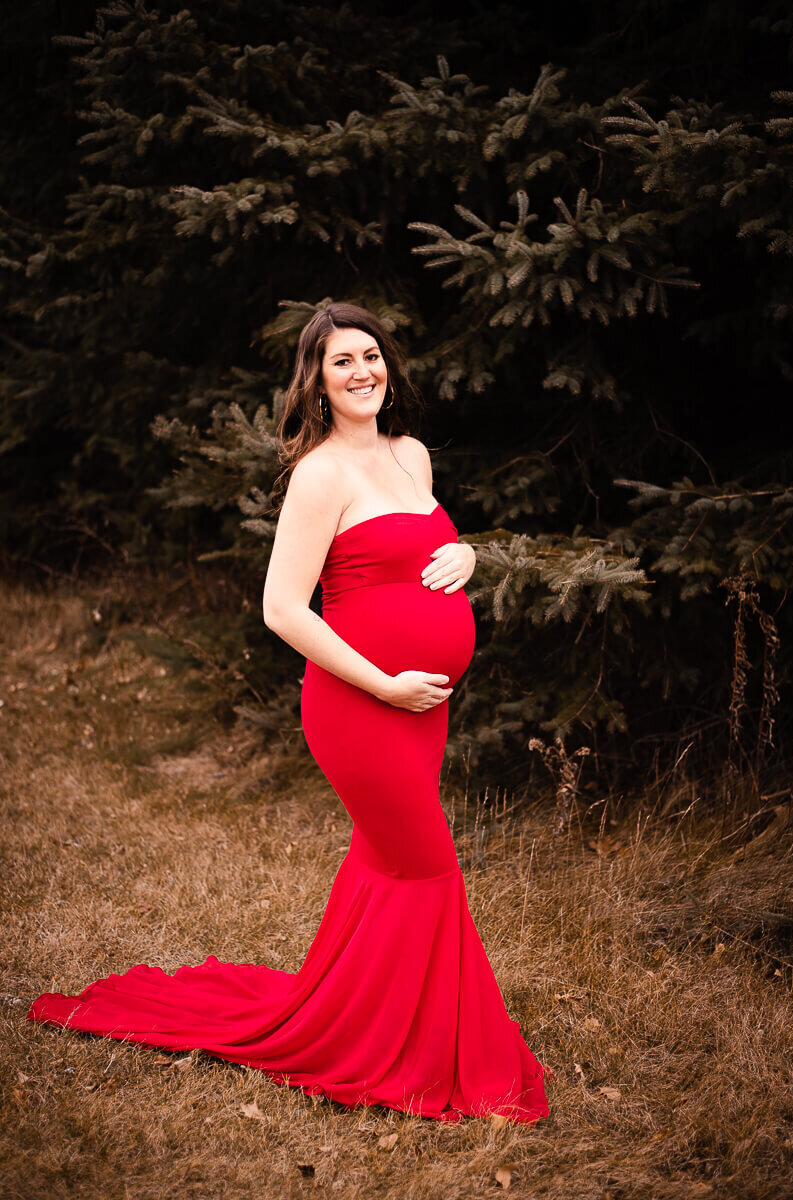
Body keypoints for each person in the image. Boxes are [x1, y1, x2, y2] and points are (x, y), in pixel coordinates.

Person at [27, 302, 551, 1125]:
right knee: (427, 869)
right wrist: (383, 684)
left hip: (423, 708)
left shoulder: (409, 455)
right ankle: (433, 1055)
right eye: (341, 362)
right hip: (361, 706)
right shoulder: (319, 475)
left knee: (385, 866)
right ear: (316, 382)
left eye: (370, 356)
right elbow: (282, 609)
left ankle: (359, 1017)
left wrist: (467, 551)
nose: (362, 372)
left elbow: (417, 555)